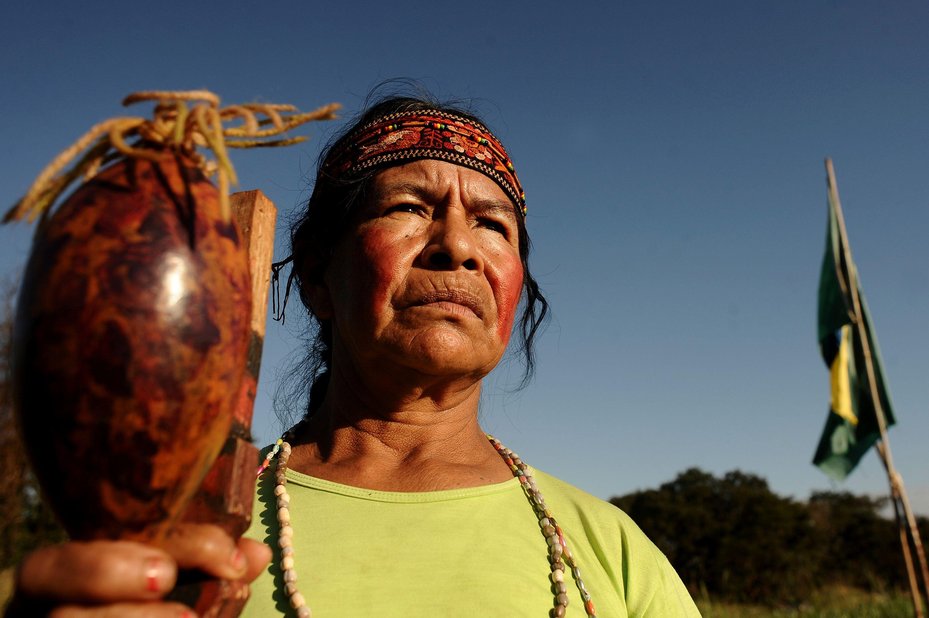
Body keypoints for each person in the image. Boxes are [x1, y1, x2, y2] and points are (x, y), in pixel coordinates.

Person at [8, 92, 701, 617]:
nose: (456, 244)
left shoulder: (610, 554)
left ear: (515, 288)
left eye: (493, 224)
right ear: (315, 277)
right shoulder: (183, 536)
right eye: (408, 207)